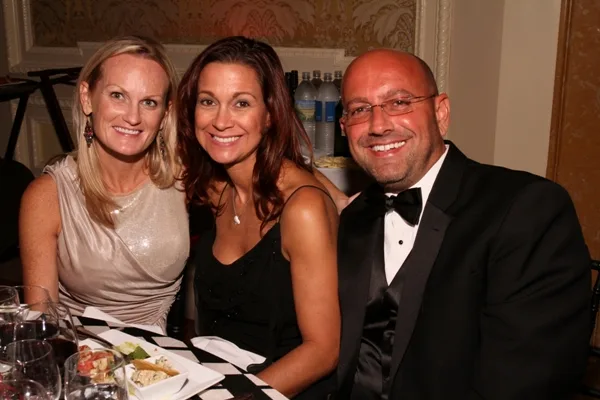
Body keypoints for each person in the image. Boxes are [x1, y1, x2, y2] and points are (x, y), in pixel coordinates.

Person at [336, 49, 591, 399]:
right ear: (344, 127)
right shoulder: (354, 217)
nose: (378, 125)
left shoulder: (526, 209)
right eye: (360, 110)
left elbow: (527, 379)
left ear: (441, 113)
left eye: (399, 102)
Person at [177, 36, 340, 398]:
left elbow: (323, 352)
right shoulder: (216, 188)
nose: (221, 121)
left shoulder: (303, 209)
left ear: (270, 115)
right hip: (213, 379)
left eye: (241, 103)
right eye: (208, 101)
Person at [19, 36, 188, 331]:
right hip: (80, 348)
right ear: (87, 98)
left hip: (163, 354)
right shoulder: (48, 196)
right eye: (118, 95)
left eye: (149, 102)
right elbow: (42, 321)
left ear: (165, 114)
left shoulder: (185, 180)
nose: (133, 117)